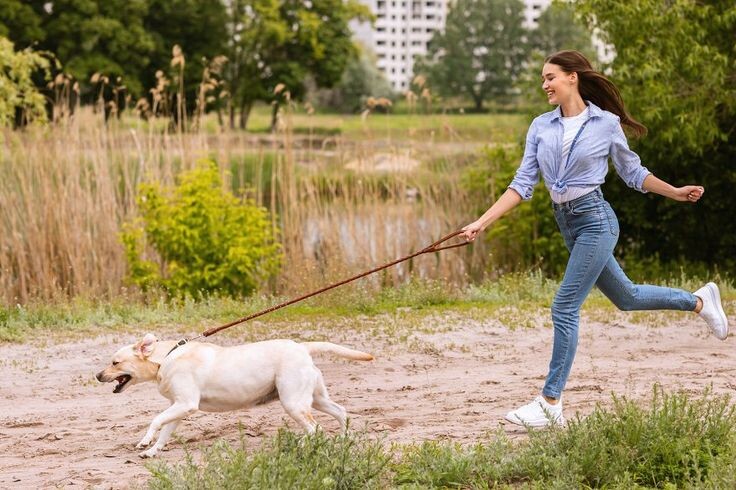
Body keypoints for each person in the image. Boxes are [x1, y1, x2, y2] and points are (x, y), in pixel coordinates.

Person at [460, 50, 729, 428]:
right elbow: (522, 185)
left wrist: (675, 192)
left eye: (550, 77)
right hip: (567, 224)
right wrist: (480, 222)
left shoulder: (606, 123)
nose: (544, 85)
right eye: (542, 79)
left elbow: (632, 173)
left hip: (596, 221)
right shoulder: (541, 126)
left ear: (573, 77)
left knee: (564, 307)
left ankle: (550, 403)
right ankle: (699, 301)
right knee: (627, 297)